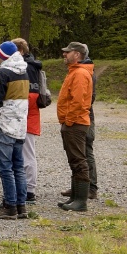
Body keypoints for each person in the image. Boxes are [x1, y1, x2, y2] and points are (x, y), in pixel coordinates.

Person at [0, 41, 31, 220]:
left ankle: (9, 206)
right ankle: (21, 205)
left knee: (5, 168)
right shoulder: (24, 72)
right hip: (19, 126)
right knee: (18, 167)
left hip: (3, 125)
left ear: (3, 56)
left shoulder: (1, 74)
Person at [57, 42, 94, 212]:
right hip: (73, 122)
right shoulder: (75, 72)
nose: (64, 54)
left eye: (68, 52)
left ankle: (81, 201)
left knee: (79, 160)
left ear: (77, 54)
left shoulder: (79, 74)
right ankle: (75, 197)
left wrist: (69, 121)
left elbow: (78, 102)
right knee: (75, 160)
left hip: (76, 123)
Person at [13, 38, 44, 203]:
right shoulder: (27, 65)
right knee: (22, 153)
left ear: (20, 51)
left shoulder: (28, 67)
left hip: (27, 115)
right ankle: (23, 186)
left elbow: (32, 95)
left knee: (27, 153)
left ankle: (30, 189)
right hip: (23, 114)